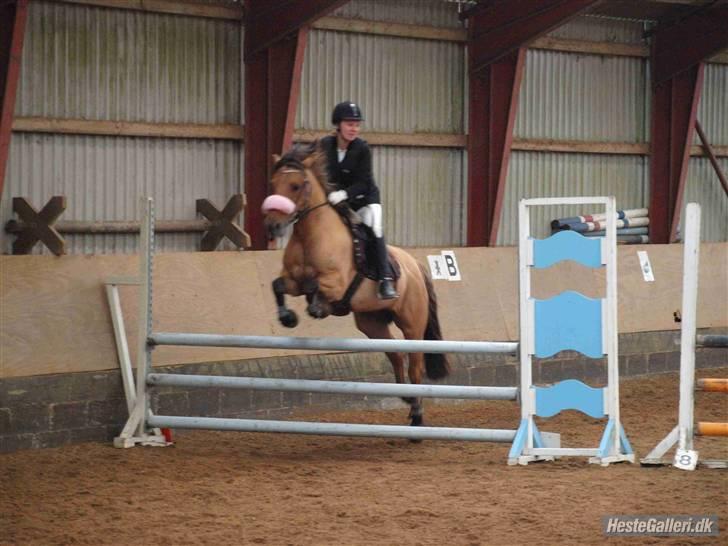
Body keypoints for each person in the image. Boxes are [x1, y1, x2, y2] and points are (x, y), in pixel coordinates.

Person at [320, 101, 398, 300]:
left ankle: (385, 280)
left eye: (356, 124)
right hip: (337, 200)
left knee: (375, 227)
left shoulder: (362, 148)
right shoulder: (324, 145)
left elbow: (364, 182)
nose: (354, 128)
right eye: (349, 124)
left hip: (365, 199)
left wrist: (343, 194)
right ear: (338, 125)